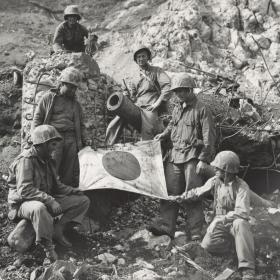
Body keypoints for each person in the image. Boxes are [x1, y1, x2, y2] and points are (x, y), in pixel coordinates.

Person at [7, 125, 90, 262]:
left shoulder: (48, 161)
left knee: (82, 201)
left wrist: (74, 191)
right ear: (41, 144)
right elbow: (25, 189)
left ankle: (58, 230)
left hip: (43, 199)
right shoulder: (26, 160)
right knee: (39, 208)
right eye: (52, 144)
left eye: (56, 144)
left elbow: (57, 187)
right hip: (23, 203)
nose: (55, 147)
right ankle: (48, 248)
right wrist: (50, 200)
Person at [149, 73, 216, 240]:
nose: (179, 94)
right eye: (177, 91)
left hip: (192, 156)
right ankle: (166, 228)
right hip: (175, 155)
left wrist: (203, 159)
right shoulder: (178, 107)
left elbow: (209, 136)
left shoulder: (202, 109)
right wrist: (164, 135)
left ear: (190, 89)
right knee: (170, 193)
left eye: (182, 91)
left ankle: (194, 232)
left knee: (192, 195)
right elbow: (173, 123)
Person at [171, 151, 255, 280]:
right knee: (207, 246)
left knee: (241, 224)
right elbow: (198, 192)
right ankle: (234, 245)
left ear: (227, 170)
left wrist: (219, 220)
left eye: (218, 167)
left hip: (234, 222)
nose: (214, 168)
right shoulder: (215, 181)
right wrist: (181, 197)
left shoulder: (242, 186)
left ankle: (247, 268)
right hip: (220, 223)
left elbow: (242, 212)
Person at [106, 45, 171, 143]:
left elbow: (167, 86)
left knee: (149, 129)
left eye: (143, 56)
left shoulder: (157, 71)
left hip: (150, 105)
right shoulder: (133, 76)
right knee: (113, 125)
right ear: (136, 60)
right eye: (138, 57)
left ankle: (149, 155)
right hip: (137, 105)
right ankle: (107, 146)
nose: (141, 59)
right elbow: (129, 94)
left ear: (148, 57)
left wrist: (157, 103)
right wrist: (126, 94)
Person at [32, 67, 83, 187]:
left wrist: (82, 141)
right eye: (70, 87)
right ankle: (49, 191)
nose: (73, 90)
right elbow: (37, 118)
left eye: (75, 88)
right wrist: (35, 138)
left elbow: (81, 124)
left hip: (71, 138)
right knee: (52, 165)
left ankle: (64, 192)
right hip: (54, 137)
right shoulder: (48, 98)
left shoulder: (75, 104)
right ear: (62, 84)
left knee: (69, 168)